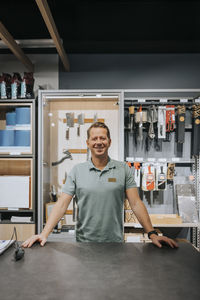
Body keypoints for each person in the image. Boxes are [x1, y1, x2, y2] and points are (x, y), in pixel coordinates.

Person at [22, 122, 178, 248]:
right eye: (94, 139)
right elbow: (62, 204)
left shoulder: (123, 168)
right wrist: (44, 234)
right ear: (88, 143)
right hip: (84, 243)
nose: (99, 142)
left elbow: (136, 203)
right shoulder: (77, 171)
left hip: (115, 242)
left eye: (102, 138)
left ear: (109, 142)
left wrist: (152, 233)